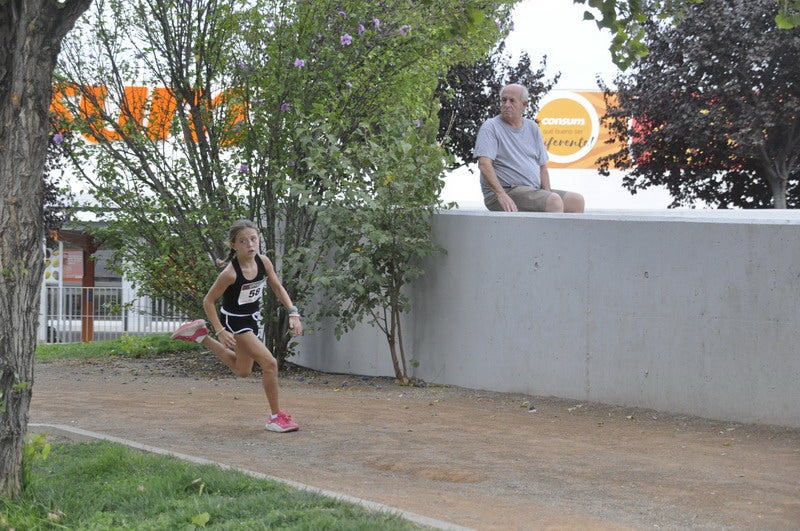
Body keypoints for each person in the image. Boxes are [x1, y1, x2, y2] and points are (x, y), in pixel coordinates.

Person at [171, 219, 303, 432]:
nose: (250, 244)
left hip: (252, 318)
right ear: (234, 245)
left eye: (253, 239)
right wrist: (221, 330)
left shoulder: (264, 262)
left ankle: (200, 336)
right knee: (269, 363)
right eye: (243, 241)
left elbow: (277, 287)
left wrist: (293, 313)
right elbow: (208, 301)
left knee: (243, 371)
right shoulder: (230, 273)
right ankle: (275, 417)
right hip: (234, 321)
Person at [474, 83, 585, 213]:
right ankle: (546, 234)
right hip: (505, 191)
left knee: (576, 201)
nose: (506, 104)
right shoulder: (491, 127)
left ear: (525, 105)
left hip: (532, 190)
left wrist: (547, 192)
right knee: (554, 201)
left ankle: (563, 234)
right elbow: (484, 164)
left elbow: (542, 166)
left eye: (512, 101)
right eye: (503, 100)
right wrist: (501, 194)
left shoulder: (532, 128)